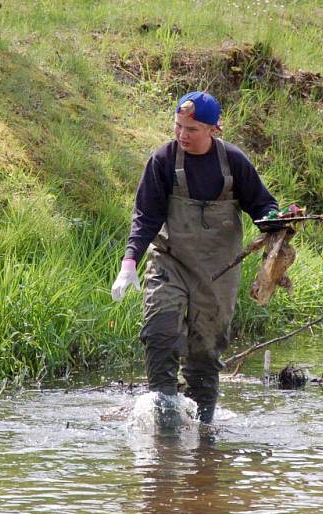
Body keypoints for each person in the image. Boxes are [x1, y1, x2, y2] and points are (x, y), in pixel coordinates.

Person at [111, 91, 278, 423]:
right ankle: (164, 417)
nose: (183, 135)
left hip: (218, 271)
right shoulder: (163, 160)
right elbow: (145, 216)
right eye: (178, 127)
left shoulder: (234, 162)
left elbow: (262, 206)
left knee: (205, 353)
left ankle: (202, 432)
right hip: (170, 262)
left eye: (192, 129)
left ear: (214, 129)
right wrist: (129, 262)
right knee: (159, 332)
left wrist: (277, 220)